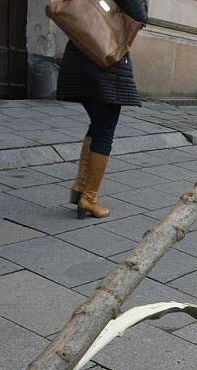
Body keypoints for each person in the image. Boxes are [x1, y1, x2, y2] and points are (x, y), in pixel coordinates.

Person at [56, 0, 148, 218]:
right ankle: (89, 198)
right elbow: (138, 14)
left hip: (79, 53)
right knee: (105, 129)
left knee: (97, 123)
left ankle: (80, 187)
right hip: (104, 57)